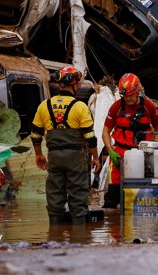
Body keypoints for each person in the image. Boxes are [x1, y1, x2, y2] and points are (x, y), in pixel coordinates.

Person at [31, 66, 102, 225]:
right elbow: (90, 137)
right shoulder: (80, 107)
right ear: (75, 85)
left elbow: (35, 134)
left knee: (55, 197)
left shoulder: (44, 105)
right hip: (75, 158)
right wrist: (96, 158)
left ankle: (54, 235)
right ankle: (79, 237)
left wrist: (38, 154)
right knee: (78, 198)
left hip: (54, 157)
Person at [100, 73, 158, 209]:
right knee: (112, 198)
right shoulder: (116, 107)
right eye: (125, 96)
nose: (128, 99)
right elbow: (105, 132)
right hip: (119, 155)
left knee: (141, 198)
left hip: (143, 155)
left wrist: (154, 149)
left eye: (131, 95)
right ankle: (112, 228)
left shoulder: (149, 107)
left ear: (138, 91)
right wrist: (110, 151)